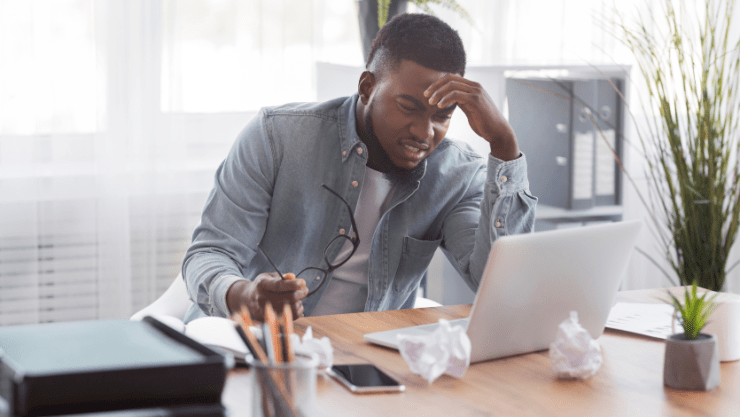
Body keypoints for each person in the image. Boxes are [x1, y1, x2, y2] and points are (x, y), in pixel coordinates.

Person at [182, 13, 536, 323]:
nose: (424, 132)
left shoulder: (457, 174)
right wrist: (245, 295)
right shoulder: (277, 136)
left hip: (365, 361)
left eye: (442, 115)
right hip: (255, 342)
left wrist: (504, 146)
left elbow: (496, 282)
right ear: (367, 87)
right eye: (408, 107)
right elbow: (211, 253)